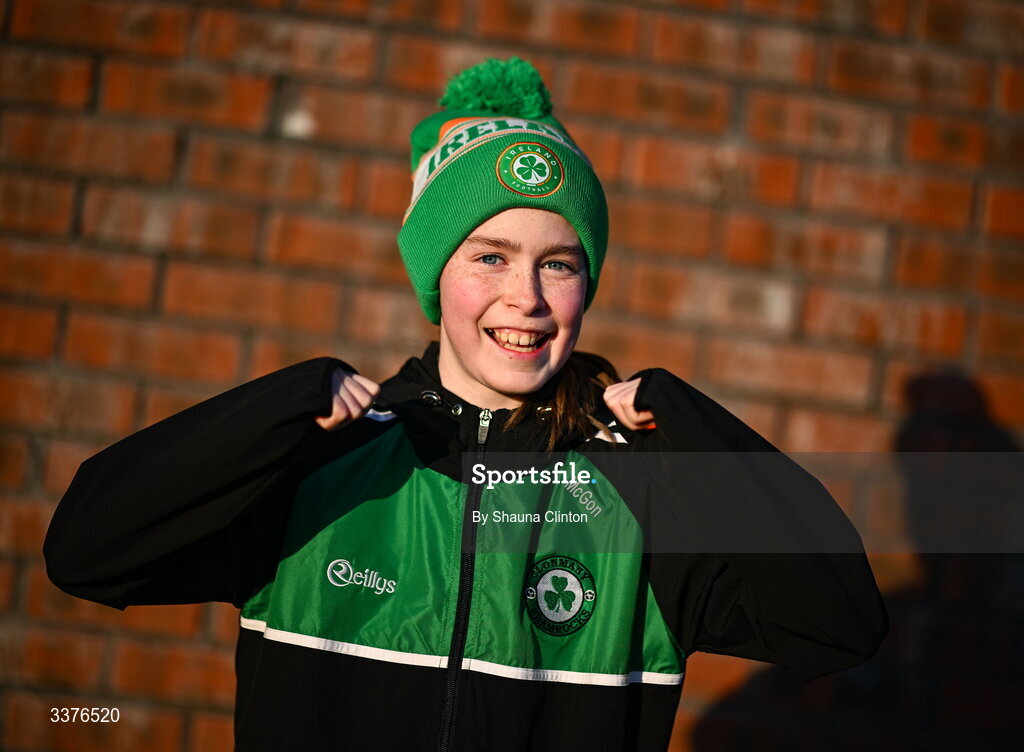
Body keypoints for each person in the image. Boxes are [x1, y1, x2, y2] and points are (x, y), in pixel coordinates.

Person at [44, 59, 887, 751]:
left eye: (559, 263)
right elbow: (87, 550)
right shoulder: (323, 461)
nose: (525, 296)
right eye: (490, 255)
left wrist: (690, 427)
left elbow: (841, 622)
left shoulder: (643, 491)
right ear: (433, 275)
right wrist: (284, 405)